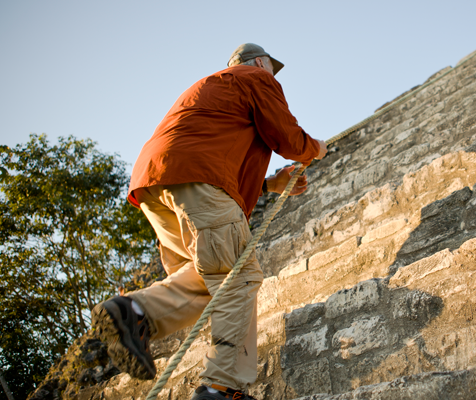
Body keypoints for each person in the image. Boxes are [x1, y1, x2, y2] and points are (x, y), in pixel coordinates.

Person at [92, 43, 327, 400]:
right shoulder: (254, 77)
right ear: (261, 63)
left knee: (212, 277)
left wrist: (270, 184)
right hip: (198, 180)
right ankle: (220, 388)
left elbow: (212, 157)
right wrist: (316, 148)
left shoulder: (213, 90)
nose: (272, 76)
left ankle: (135, 310)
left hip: (157, 183)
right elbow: (287, 137)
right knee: (239, 277)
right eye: (270, 69)